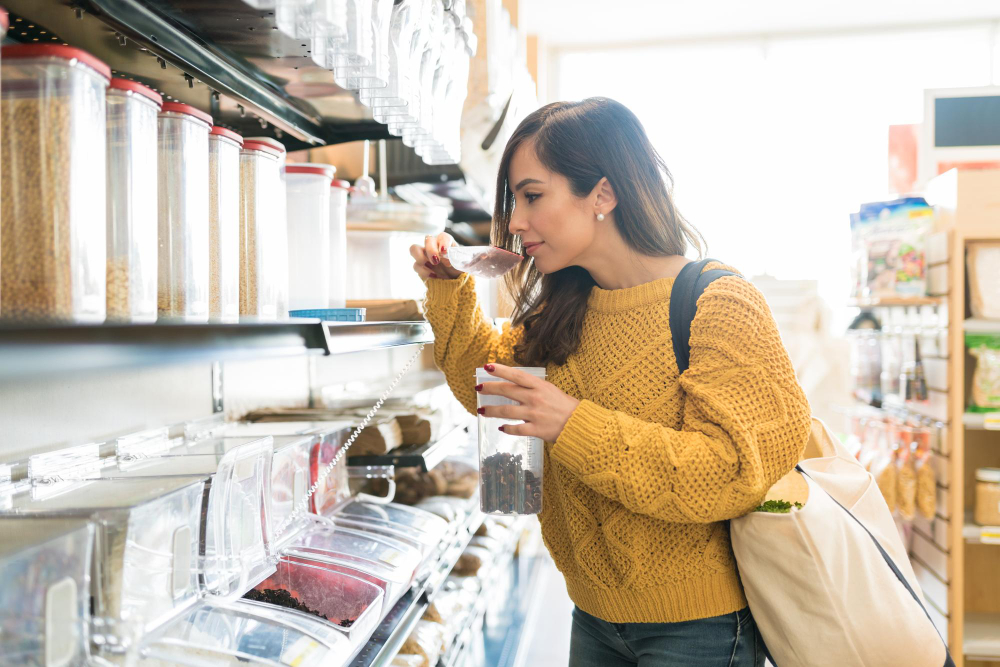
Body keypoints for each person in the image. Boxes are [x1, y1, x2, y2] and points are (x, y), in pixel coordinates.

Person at [410, 97, 811, 667]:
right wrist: (449, 285)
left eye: (532, 196)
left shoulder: (719, 302)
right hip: (593, 617)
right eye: (515, 201)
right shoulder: (564, 308)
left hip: (698, 627)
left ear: (602, 194)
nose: (517, 222)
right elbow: (488, 386)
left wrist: (571, 423)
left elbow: (731, 473)